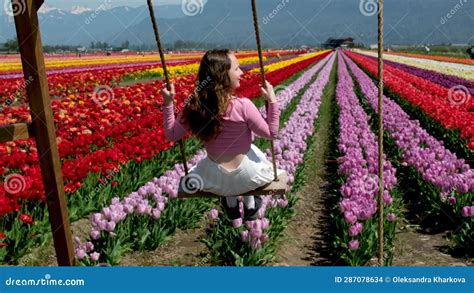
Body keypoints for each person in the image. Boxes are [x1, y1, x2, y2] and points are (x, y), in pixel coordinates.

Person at [161, 49, 284, 221]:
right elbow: (272, 133)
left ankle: (231, 204)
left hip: (215, 179)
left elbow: (172, 135)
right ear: (222, 75)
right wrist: (272, 101)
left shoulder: (195, 107)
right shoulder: (243, 106)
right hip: (248, 175)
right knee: (253, 152)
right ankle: (251, 205)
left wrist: (167, 104)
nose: (241, 72)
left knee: (214, 164)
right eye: (236, 69)